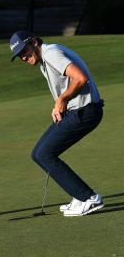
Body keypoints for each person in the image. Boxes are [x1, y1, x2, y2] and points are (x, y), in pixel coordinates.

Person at [9, 30, 104, 217]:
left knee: (45, 154)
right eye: (19, 55)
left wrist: (62, 99)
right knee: (38, 153)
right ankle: (79, 196)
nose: (23, 57)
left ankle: (89, 198)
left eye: (25, 50)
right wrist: (59, 104)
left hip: (86, 111)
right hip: (77, 111)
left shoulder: (51, 53)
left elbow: (80, 78)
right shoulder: (45, 59)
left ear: (34, 42)